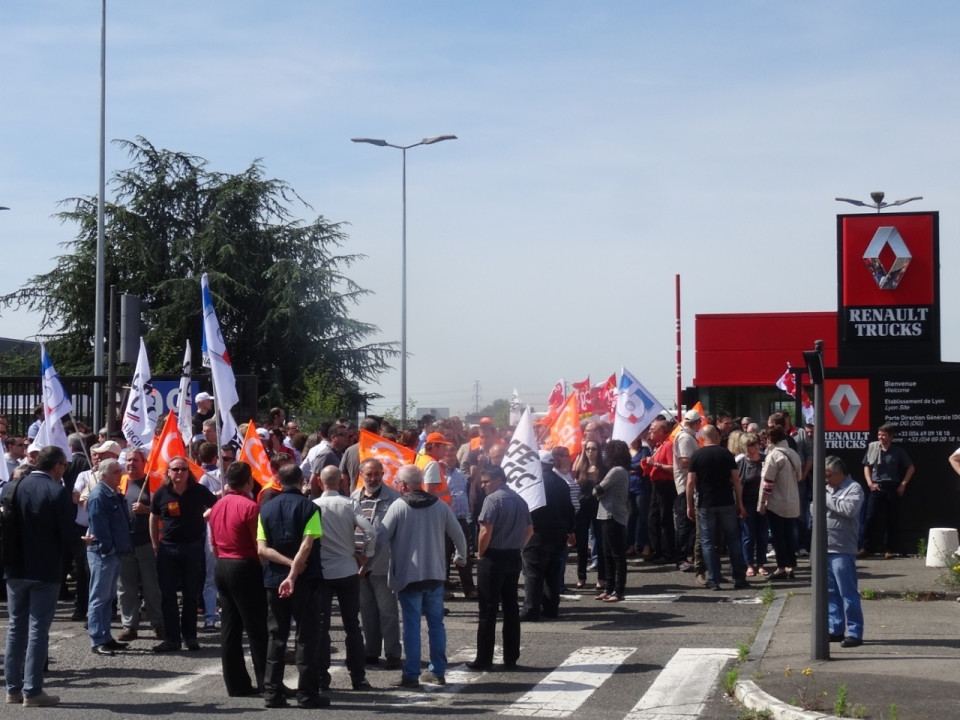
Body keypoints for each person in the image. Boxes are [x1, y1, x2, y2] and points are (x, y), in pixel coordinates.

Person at [375, 464, 467, 688]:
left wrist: (365, 563)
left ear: (404, 485)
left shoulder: (398, 507)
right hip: (435, 575)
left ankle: (411, 674)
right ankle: (438, 671)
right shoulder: (440, 506)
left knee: (411, 626)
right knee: (436, 625)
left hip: (408, 577)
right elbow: (458, 534)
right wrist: (461, 556)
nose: (396, 486)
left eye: (397, 482)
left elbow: (380, 539)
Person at [3, 446, 75, 707]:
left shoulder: (13, 487)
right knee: (37, 630)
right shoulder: (57, 491)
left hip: (14, 567)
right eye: (64, 466)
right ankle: (32, 691)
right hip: (44, 569)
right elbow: (68, 534)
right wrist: (83, 545)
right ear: (56, 466)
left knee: (16, 628)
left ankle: (13, 689)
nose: (64, 470)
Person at [257, 463, 329, 709]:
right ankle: (307, 694)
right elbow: (307, 545)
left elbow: (262, 549)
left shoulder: (265, 509)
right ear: (302, 481)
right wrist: (294, 571)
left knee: (276, 636)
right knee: (306, 637)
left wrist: (287, 569)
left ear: (278, 480)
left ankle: (272, 693)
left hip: (273, 580)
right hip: (304, 581)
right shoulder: (311, 508)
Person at [208, 461, 268, 697]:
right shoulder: (250, 507)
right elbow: (257, 544)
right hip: (244, 564)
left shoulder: (217, 505)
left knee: (230, 628)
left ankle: (236, 684)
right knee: (256, 628)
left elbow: (213, 543)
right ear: (248, 480)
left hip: (222, 563)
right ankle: (268, 682)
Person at [314, 465, 376, 691]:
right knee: (352, 625)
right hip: (348, 569)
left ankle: (322, 677)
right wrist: (365, 555)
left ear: (320, 483)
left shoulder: (314, 506)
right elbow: (370, 531)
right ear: (340, 482)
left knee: (322, 626)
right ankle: (358, 676)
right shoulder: (350, 503)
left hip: (322, 571)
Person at [466, 465, 532, 670]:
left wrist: (480, 553)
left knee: (487, 609)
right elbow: (530, 529)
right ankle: (511, 657)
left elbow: (486, 530)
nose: (483, 486)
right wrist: (518, 544)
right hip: (513, 555)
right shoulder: (520, 500)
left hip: (493, 557)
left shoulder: (493, 500)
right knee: (511, 608)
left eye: (486, 481)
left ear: (498, 480)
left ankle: (484, 658)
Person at [150, 457, 218, 652]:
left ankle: (190, 637)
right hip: (168, 548)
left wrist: (207, 515)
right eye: (175, 469)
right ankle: (172, 639)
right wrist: (155, 544)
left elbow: (217, 506)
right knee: (168, 595)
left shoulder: (198, 491)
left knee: (191, 594)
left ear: (189, 472)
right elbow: (153, 518)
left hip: (193, 547)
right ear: (168, 472)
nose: (179, 473)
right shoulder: (162, 493)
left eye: (183, 469)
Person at [351, 458, 403, 670]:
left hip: (383, 565)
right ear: (361, 475)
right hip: (358, 565)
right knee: (367, 612)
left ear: (383, 474)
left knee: (388, 612)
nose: (372, 479)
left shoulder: (395, 499)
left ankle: (392, 653)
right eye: (368, 474)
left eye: (376, 474)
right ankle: (371, 651)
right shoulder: (353, 498)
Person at [686, 425, 748, 590]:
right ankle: (739, 578)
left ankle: (714, 580)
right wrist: (740, 503)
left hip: (706, 503)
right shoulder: (726, 454)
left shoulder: (696, 455)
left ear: (703, 437)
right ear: (717, 437)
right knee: (733, 540)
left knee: (707, 542)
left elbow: (690, 482)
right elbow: (736, 480)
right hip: (727, 502)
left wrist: (689, 505)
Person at [86, 458, 133, 656]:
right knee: (99, 597)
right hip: (104, 553)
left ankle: (105, 636)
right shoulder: (99, 496)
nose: (120, 474)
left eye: (120, 470)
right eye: (116, 472)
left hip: (112, 552)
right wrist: (109, 548)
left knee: (107, 597)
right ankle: (97, 639)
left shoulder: (113, 493)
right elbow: (99, 527)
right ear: (104, 475)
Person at [116, 448, 164, 642]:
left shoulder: (155, 482)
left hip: (148, 543)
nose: (131, 463)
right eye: (128, 460)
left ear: (144, 463)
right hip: (126, 544)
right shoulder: (121, 482)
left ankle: (158, 624)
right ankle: (129, 625)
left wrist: (147, 510)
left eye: (135, 460)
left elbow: (164, 509)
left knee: (152, 588)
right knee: (126, 589)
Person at [520, 451, 573, 620]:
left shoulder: (534, 484)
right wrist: (570, 530)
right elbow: (570, 510)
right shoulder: (561, 483)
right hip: (558, 534)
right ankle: (551, 608)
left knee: (533, 573)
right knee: (552, 573)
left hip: (537, 533)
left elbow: (529, 509)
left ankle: (531, 609)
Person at [825, 456, 866, 648]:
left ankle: (855, 632)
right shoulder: (826, 488)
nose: (826, 478)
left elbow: (849, 509)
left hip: (842, 549)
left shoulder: (854, 488)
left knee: (847, 592)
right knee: (831, 592)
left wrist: (826, 500)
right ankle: (835, 628)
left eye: (829, 474)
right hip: (824, 547)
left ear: (840, 473)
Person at [861, 424, 914, 558]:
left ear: (891, 437)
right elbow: (867, 466)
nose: (880, 437)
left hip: (892, 487)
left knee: (891, 519)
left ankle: (888, 549)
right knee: (870, 517)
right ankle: (865, 548)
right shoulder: (873, 448)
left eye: (884, 435)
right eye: (879, 434)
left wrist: (903, 484)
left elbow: (911, 467)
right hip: (876, 486)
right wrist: (870, 483)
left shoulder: (898, 451)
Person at [758, 425, 802, 580]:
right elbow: (799, 477)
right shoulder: (794, 454)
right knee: (790, 535)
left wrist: (763, 502)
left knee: (778, 537)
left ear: (770, 439)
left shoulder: (773, 456)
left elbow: (768, 482)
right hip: (792, 501)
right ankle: (791, 565)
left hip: (776, 502)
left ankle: (781, 567)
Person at [594, 440, 631, 602]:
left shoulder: (616, 471)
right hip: (608, 514)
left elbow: (597, 490)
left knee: (616, 555)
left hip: (612, 515)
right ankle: (609, 588)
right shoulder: (622, 471)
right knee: (607, 554)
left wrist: (598, 488)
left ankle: (618, 590)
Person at [673, 410, 701, 572]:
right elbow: (685, 462)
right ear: (695, 422)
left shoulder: (689, 437)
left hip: (690, 485)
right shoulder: (685, 437)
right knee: (685, 522)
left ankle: (686, 555)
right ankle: (681, 558)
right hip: (685, 485)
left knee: (689, 523)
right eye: (699, 423)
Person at [737, 433, 768, 577]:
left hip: (764, 501)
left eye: (756, 443)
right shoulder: (741, 462)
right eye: (751, 444)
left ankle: (761, 563)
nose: (755, 446)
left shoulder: (765, 459)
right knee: (748, 534)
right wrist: (740, 505)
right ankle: (749, 563)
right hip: (747, 501)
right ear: (745, 446)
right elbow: (737, 485)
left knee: (762, 534)